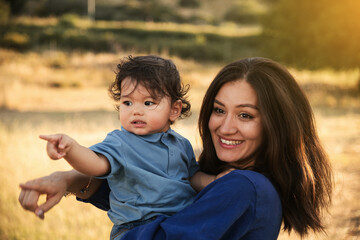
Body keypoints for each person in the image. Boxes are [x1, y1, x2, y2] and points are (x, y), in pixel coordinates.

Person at [19, 57, 333, 239]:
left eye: (246, 115)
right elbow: (146, 183)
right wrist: (66, 178)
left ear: (277, 124)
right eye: (219, 110)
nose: (224, 127)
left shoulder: (244, 187)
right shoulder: (235, 181)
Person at [33, 55, 217, 239]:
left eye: (148, 103)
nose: (135, 110)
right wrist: (71, 149)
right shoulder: (120, 142)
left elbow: (192, 177)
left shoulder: (181, 144)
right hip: (136, 228)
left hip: (177, 223)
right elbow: (95, 164)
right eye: (127, 102)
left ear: (174, 110)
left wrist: (219, 179)